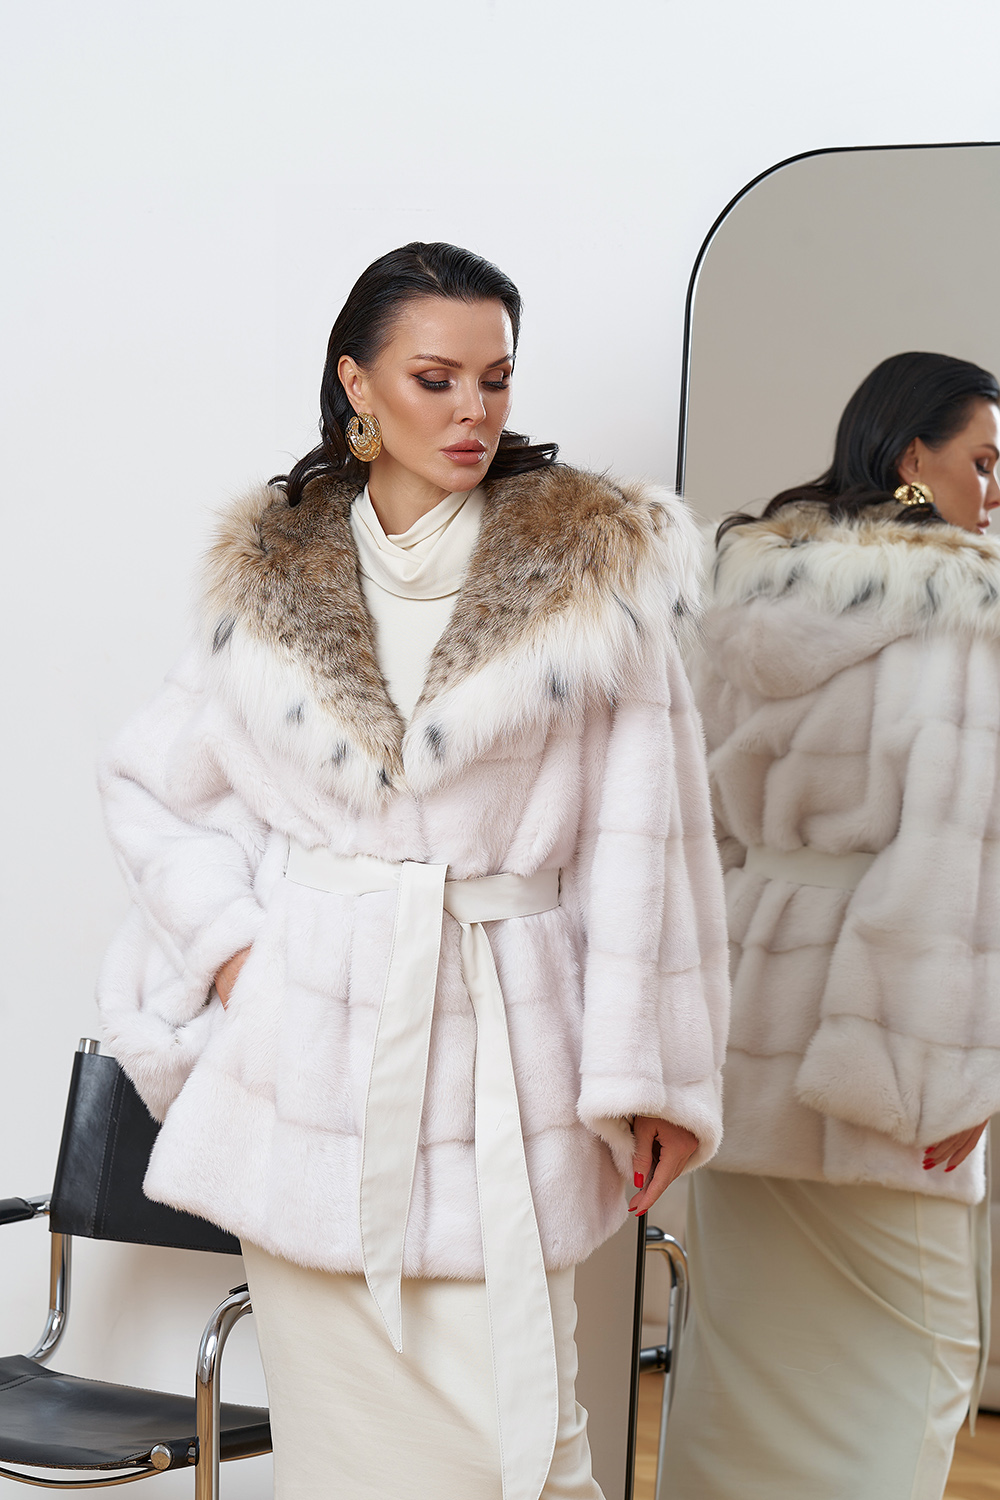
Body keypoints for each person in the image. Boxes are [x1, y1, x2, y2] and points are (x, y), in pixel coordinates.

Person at [96, 241, 730, 1500]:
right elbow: (155, 788)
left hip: (503, 1059)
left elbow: (649, 844)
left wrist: (654, 1073)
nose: (472, 411)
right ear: (358, 385)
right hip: (311, 1077)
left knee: (522, 1444)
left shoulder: (589, 578)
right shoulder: (273, 579)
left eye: (495, 379)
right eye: (434, 380)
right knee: (346, 1458)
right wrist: (238, 958)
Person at [663, 350, 1000, 1500]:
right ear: (911, 458)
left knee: (740, 1375)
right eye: (982, 462)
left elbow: (696, 833)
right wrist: (958, 1073)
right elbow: (955, 860)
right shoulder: (964, 614)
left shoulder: (743, 600)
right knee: (914, 1369)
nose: (995, 491)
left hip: (747, 1025)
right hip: (883, 1041)